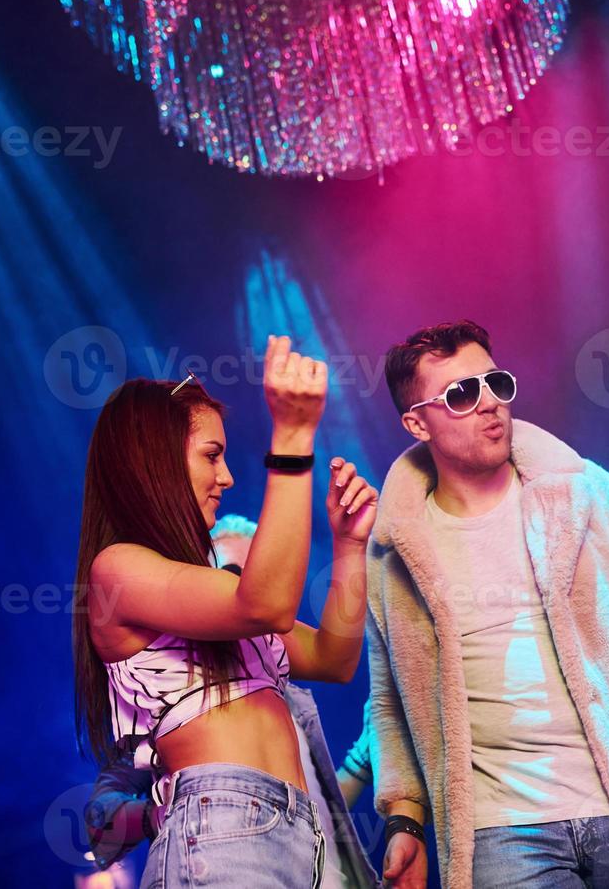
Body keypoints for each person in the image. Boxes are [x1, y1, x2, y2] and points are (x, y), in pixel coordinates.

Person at [365, 320, 609, 889]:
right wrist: (404, 818)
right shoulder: (396, 548)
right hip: (500, 831)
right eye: (461, 394)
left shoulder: (586, 492)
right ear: (416, 422)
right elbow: (390, 700)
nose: (489, 403)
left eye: (495, 382)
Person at [73, 336, 378, 889]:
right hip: (220, 831)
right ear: (155, 464)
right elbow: (264, 603)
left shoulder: (213, 598)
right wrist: (291, 437)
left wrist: (350, 548)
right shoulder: (116, 569)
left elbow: (333, 658)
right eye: (211, 455)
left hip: (297, 836)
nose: (228, 476)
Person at [83, 514, 380, 888]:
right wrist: (158, 814)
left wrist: (350, 545)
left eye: (253, 578)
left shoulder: (290, 701)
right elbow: (100, 819)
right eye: (228, 573)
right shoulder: (176, 695)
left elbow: (335, 661)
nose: (240, 588)